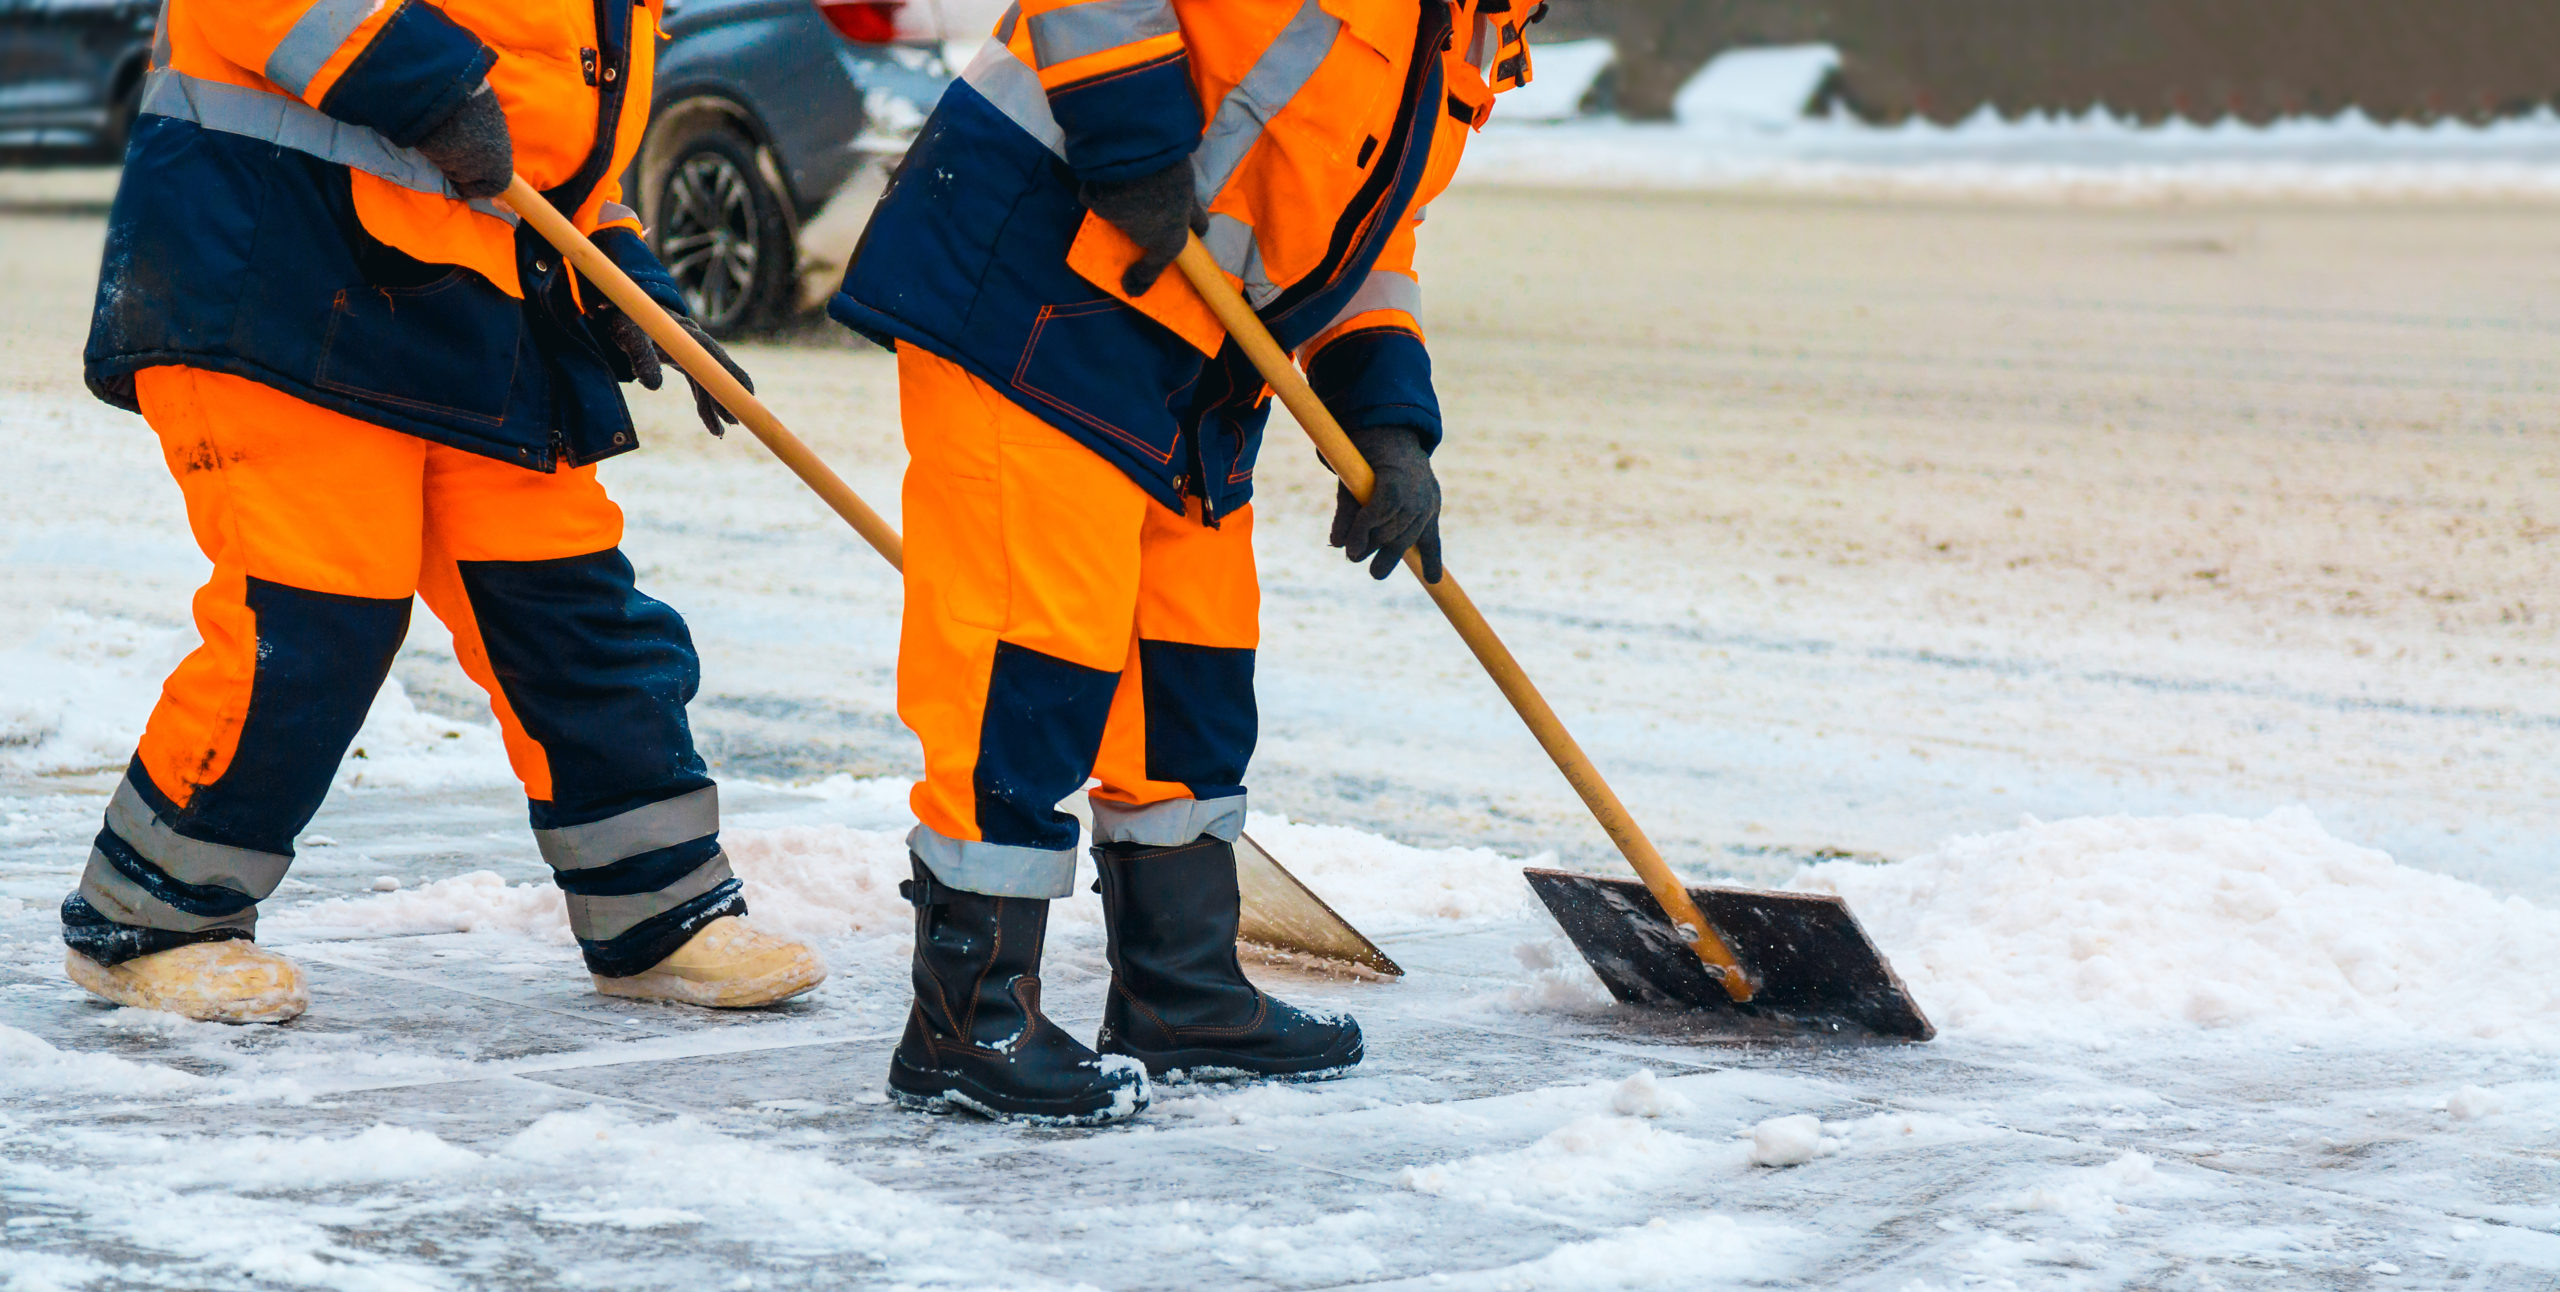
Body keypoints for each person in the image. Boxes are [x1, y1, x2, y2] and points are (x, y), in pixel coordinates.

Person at [832, 0, 1540, 1122]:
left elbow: (1360, 237)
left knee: (1191, 667)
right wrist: (1130, 132)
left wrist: (1387, 417)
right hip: (1042, 279)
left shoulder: (1467, 37)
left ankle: (1179, 989)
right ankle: (964, 1019)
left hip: (1193, 356)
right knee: (1029, 653)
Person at [63, 0, 824, 1023]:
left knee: (568, 603)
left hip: (473, 309)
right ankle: (153, 917)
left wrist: (635, 287)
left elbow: (557, 162)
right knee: (317, 612)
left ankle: (660, 912)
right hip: (279, 267)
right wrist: (425, 80)